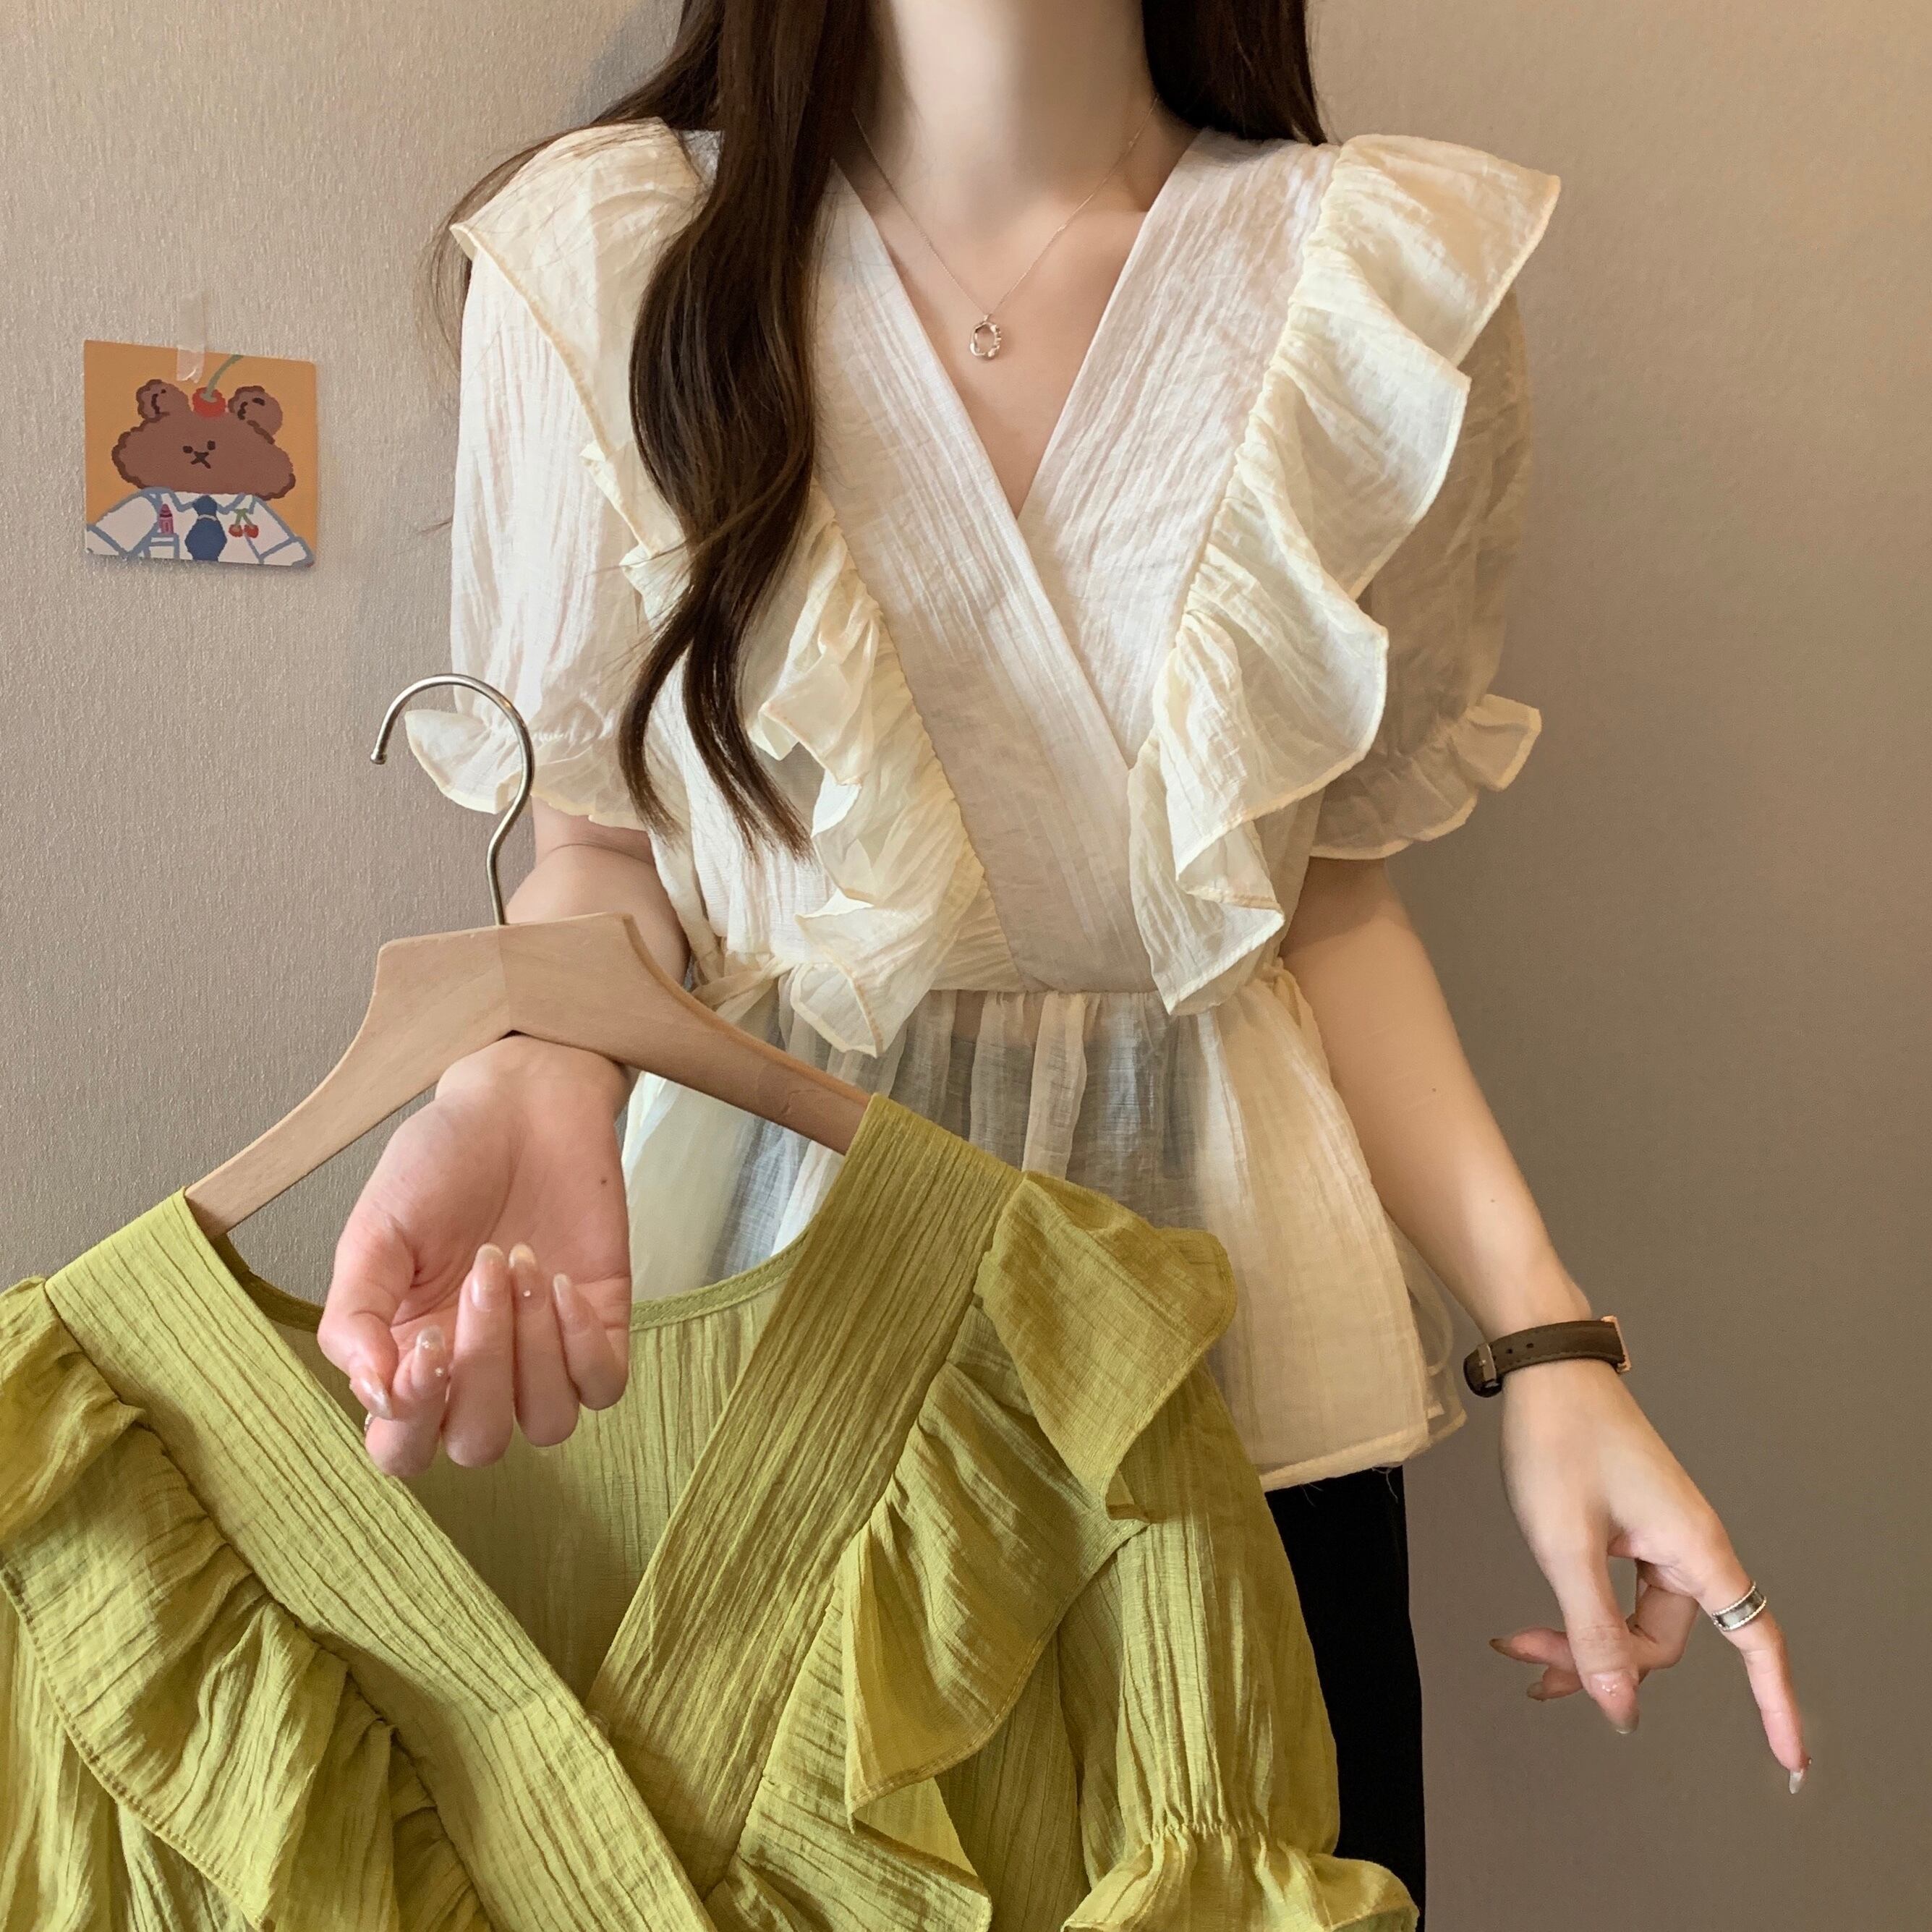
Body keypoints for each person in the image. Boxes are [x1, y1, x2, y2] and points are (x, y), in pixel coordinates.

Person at [320, 2, 1808, 1915]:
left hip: (1234, 1366)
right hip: (754, 1331)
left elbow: (1326, 902)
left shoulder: (1375, 282)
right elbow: (600, 851)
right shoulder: (617, 263)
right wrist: (525, 1069)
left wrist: (1547, 1342)